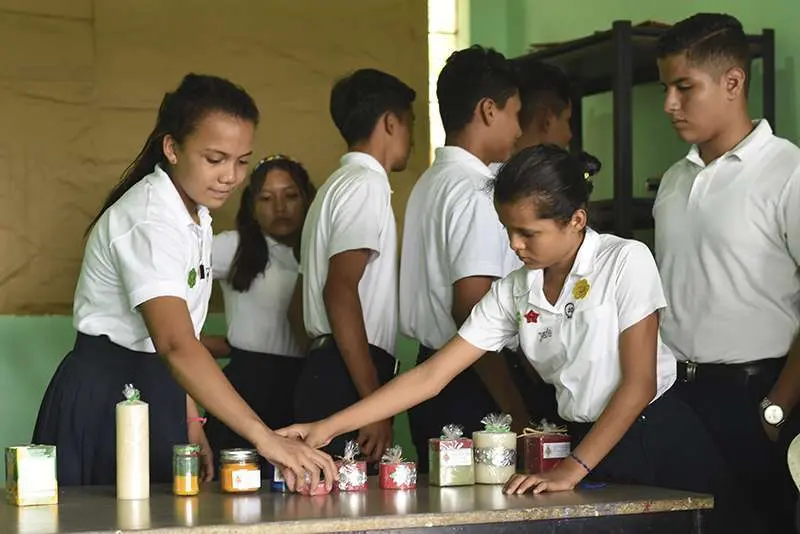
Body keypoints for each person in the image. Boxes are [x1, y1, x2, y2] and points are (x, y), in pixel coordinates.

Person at [282, 145, 761, 534]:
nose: (514, 244)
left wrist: (573, 468)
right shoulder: (515, 288)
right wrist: (327, 426)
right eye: (508, 230)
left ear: (576, 219)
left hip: (655, 435)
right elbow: (433, 374)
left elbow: (637, 384)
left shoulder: (624, 261)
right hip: (589, 444)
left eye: (528, 232)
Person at [32, 73, 335, 493]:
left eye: (242, 160)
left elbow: (183, 341)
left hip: (160, 388)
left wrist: (191, 420)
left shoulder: (195, 217)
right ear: (172, 148)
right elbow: (176, 345)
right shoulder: (149, 218)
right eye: (215, 159)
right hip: (109, 395)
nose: (231, 175)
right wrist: (266, 440)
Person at [654, 13, 800, 533]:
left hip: (756, 397)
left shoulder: (788, 173)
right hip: (674, 397)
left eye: (684, 87)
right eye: (666, 87)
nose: (669, 103)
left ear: (733, 82)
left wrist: (776, 408)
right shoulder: (673, 181)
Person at [399, 45, 531, 473]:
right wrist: (514, 408)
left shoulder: (429, 182)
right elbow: (472, 305)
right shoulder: (477, 191)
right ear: (488, 110)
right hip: (476, 381)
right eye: (516, 113)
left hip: (434, 375)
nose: (518, 129)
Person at [288, 68, 416, 463]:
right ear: (391, 123)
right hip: (350, 375)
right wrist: (373, 401)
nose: (411, 138)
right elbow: (340, 291)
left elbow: (297, 306)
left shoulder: (333, 186)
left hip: (327, 364)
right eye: (410, 125)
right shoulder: (366, 185)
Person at [201, 154, 316, 480]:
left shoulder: (317, 251)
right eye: (266, 198)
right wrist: (199, 343)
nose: (280, 207)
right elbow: (166, 275)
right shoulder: (234, 247)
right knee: (239, 482)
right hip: (248, 385)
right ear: (252, 206)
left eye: (290, 196)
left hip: (302, 383)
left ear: (308, 198)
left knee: (293, 483)